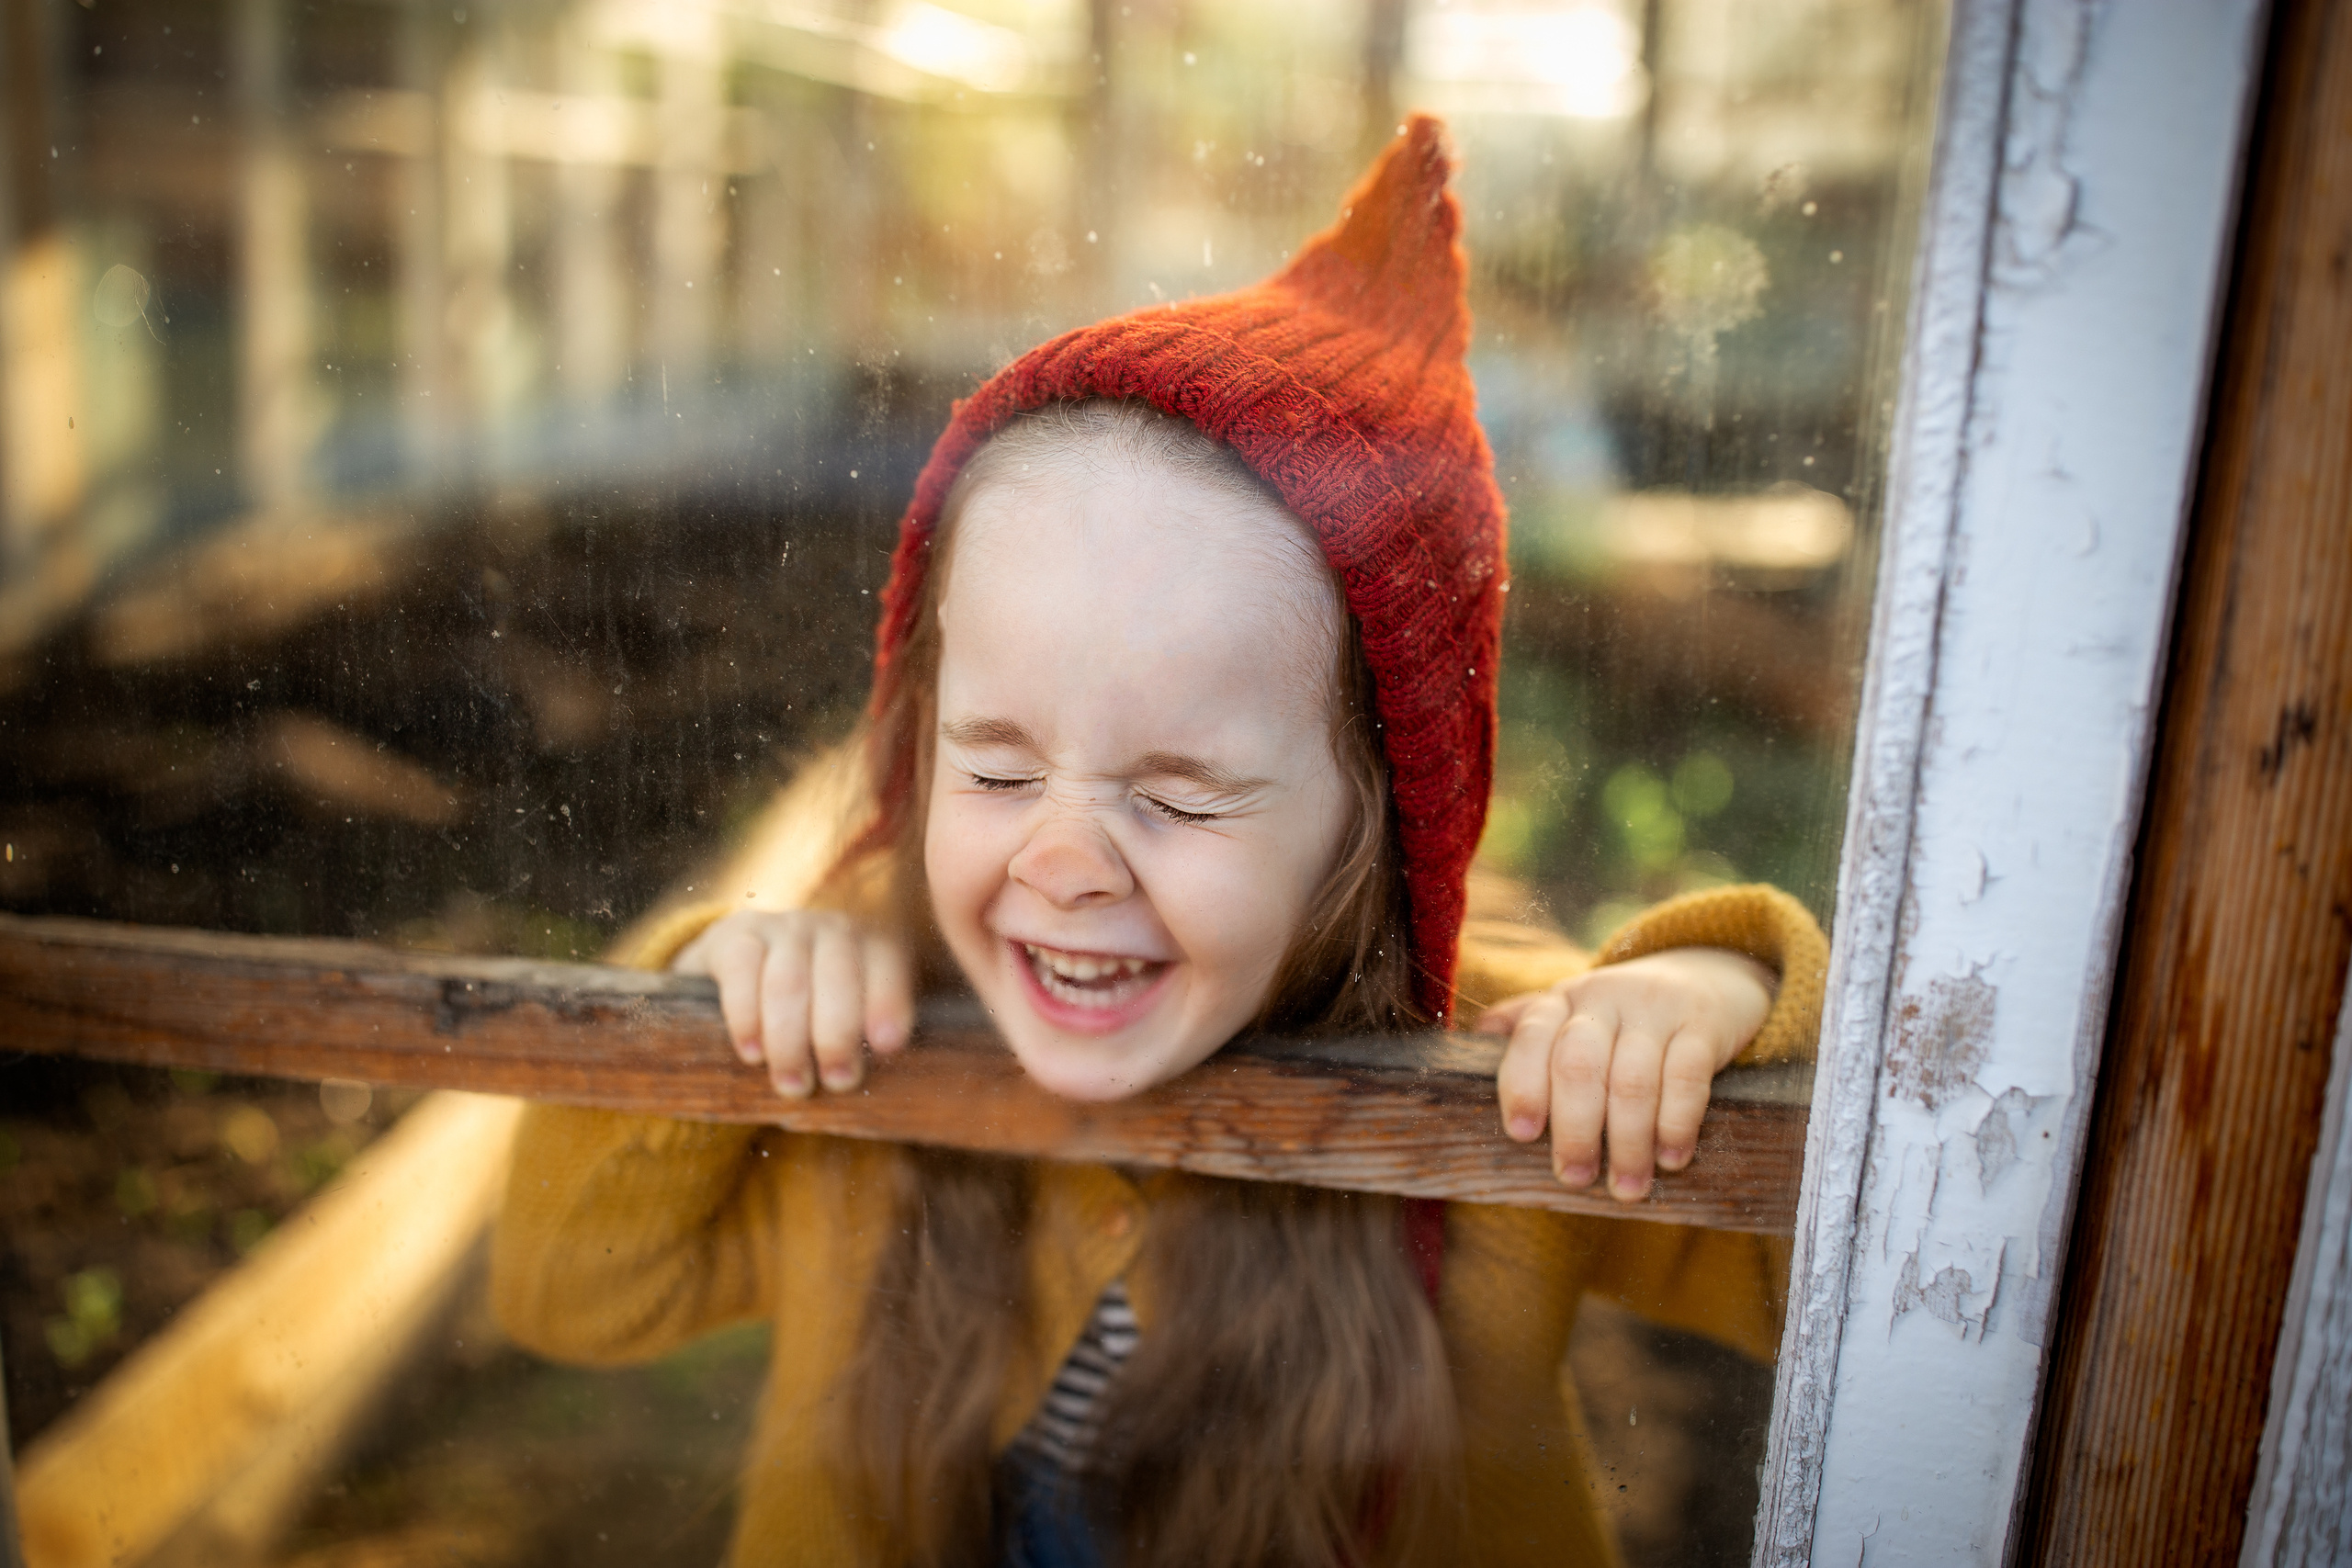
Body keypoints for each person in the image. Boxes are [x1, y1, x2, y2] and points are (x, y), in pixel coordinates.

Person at [492, 116, 1826, 1568]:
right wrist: (717, 990)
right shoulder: (877, 1069)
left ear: (1383, 823)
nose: (1064, 862)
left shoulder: (1509, 1081)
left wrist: (1721, 997)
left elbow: (1853, 1284)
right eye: (995, 770)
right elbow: (571, 1291)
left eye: (1178, 797)